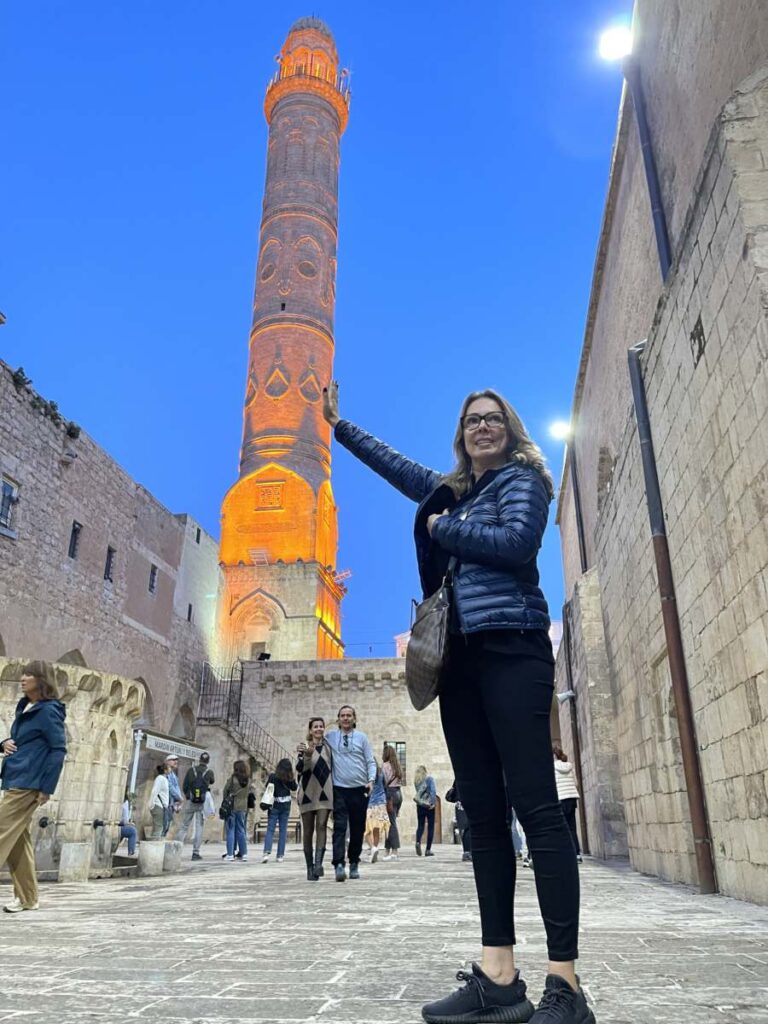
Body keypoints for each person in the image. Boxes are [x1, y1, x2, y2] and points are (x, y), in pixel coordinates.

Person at [323, 382, 595, 1024]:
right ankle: (499, 976)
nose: (482, 427)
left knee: (537, 808)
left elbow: (516, 546)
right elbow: (401, 470)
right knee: (484, 811)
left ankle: (566, 984)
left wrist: (446, 527)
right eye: (472, 420)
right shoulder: (455, 490)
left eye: (493, 419)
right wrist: (341, 427)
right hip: (460, 663)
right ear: (461, 433)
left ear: (510, 428)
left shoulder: (523, 480)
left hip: (513, 651)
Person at [0, 661, 67, 913]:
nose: (23, 678)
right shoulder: (26, 706)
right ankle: (28, 898)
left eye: (29, 674)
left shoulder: (48, 711)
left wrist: (47, 788)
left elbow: (58, 750)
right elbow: (22, 742)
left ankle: (28, 898)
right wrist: (3, 743)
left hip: (29, 783)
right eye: (23, 674)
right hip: (15, 777)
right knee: (18, 840)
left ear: (41, 680)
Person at [325, 705, 376, 881]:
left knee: (357, 828)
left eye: (349, 715)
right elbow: (315, 739)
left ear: (354, 718)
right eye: (342, 716)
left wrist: (371, 780)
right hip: (339, 789)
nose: (346, 718)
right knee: (339, 827)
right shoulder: (330, 737)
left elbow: (370, 761)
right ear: (338, 719)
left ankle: (354, 862)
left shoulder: (362, 738)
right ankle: (339, 864)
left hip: (359, 789)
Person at [296, 717, 334, 881]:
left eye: (321, 726)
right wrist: (306, 756)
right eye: (315, 727)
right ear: (310, 730)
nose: (318, 729)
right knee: (308, 830)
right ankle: (309, 868)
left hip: (325, 791)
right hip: (307, 792)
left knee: (322, 825)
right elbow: (300, 770)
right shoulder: (304, 748)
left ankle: (318, 864)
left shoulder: (329, 748)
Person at [175, 752, 214, 860]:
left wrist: (189, 796)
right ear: (208, 761)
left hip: (191, 801)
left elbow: (185, 785)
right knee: (199, 827)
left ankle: (176, 850)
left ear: (199, 759)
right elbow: (212, 781)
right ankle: (195, 853)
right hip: (202, 802)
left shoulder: (191, 770)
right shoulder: (209, 772)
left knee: (184, 826)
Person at [261, 758, 296, 863]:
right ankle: (280, 855)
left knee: (270, 829)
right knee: (283, 830)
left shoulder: (273, 777)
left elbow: (267, 787)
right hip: (286, 805)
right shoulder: (289, 778)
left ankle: (266, 853)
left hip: (275, 805)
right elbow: (294, 788)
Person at [553, 745, 582, 863]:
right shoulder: (569, 766)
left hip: (561, 798)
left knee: (561, 827)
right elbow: (576, 783)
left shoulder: (553, 768)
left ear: (554, 756)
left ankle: (565, 852)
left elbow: (553, 785)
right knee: (572, 827)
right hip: (572, 798)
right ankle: (577, 853)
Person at [222, 760, 252, 863]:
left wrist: (226, 801)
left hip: (232, 806)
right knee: (241, 830)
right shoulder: (248, 781)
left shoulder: (232, 779)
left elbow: (225, 791)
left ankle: (230, 854)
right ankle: (244, 854)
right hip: (243, 807)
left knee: (230, 830)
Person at [363, 760, 390, 862]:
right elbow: (385, 786)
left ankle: (373, 848)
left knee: (366, 830)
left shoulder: (368, 774)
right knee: (376, 829)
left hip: (371, 803)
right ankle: (375, 848)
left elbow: (365, 789)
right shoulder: (381, 772)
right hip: (382, 802)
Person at [382, 743, 403, 860]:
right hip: (398, 794)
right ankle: (387, 850)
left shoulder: (385, 766)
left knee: (391, 824)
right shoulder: (397, 766)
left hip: (389, 794)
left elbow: (383, 782)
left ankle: (394, 851)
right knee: (389, 822)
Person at [414, 765, 437, 857]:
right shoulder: (429, 779)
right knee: (430, 827)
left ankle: (418, 842)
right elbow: (433, 791)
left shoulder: (416, 781)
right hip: (429, 806)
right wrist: (433, 803)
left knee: (420, 825)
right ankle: (428, 850)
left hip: (420, 805)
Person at [446, 781, 471, 863]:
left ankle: (466, 851)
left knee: (463, 828)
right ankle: (468, 852)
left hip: (459, 804)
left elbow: (455, 788)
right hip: (466, 801)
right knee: (468, 827)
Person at [163, 754, 182, 836]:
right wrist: (179, 798)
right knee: (164, 826)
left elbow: (176, 788)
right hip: (166, 803)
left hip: (172, 804)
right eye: (173, 760)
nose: (175, 762)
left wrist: (178, 802)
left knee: (167, 826)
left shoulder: (173, 775)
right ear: (167, 761)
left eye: (176, 760)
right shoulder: (166, 774)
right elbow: (170, 788)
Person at [148, 764, 169, 838]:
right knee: (158, 828)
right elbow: (154, 791)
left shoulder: (164, 779)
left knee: (160, 828)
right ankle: (154, 847)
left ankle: (155, 846)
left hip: (162, 807)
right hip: (158, 806)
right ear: (165, 770)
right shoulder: (160, 778)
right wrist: (151, 805)